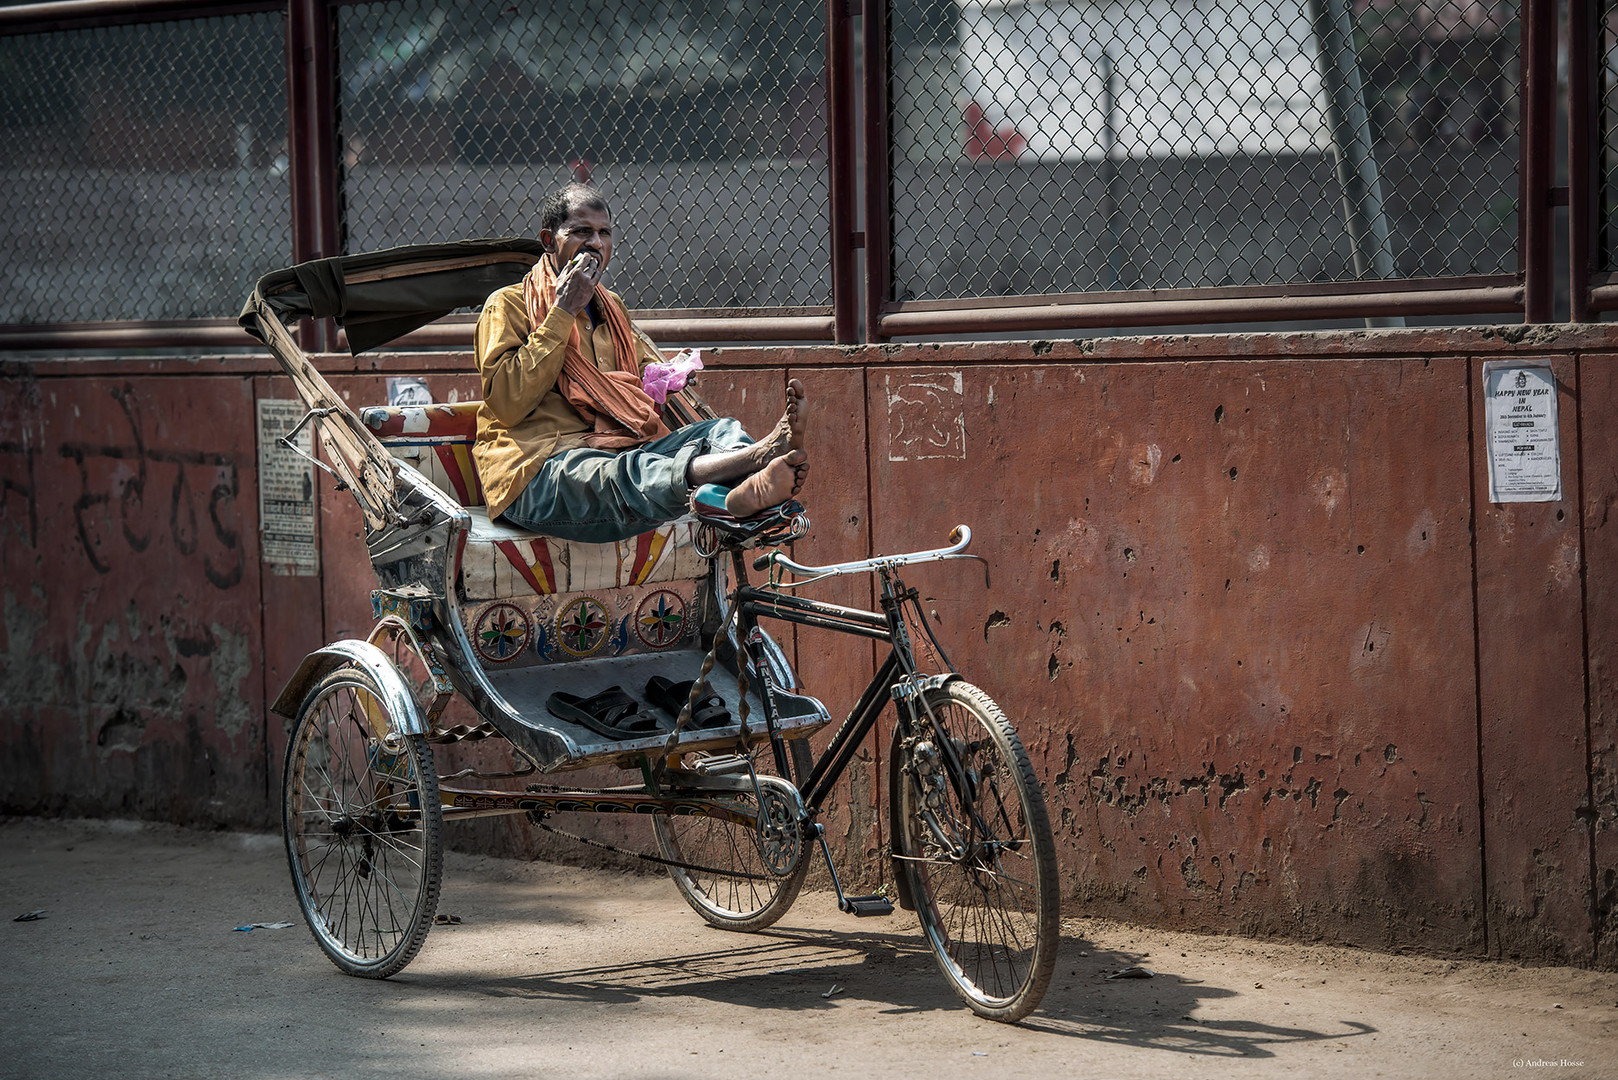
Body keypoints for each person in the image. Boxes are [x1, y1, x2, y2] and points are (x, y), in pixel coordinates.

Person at [472, 183, 808, 544]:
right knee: (626, 472)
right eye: (582, 232)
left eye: (604, 233)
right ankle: (755, 461)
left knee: (717, 432)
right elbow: (507, 404)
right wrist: (563, 311)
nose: (596, 244)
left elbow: (641, 385)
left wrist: (666, 376)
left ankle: (740, 493)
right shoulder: (507, 306)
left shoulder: (611, 307)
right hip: (538, 472)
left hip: (618, 448)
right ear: (549, 241)